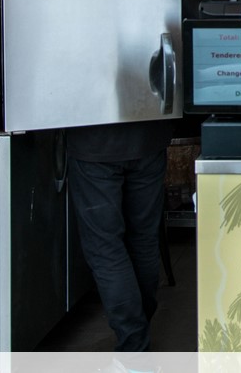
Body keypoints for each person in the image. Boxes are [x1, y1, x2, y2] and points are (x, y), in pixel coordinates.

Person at [65, 117, 175, 353]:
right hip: (149, 135)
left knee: (105, 249)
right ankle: (138, 332)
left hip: (93, 140)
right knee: (144, 240)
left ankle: (134, 345)